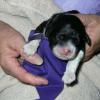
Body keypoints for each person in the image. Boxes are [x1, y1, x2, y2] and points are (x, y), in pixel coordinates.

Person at [0, 14, 100, 86]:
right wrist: (34, 43)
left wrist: (71, 70)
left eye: (75, 41)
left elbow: (81, 50)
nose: (67, 49)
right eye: (61, 37)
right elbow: (39, 31)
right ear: (50, 30)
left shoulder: (82, 36)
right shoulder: (48, 25)